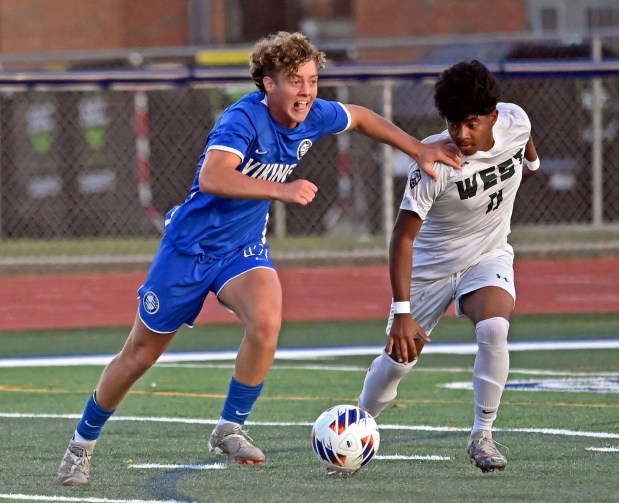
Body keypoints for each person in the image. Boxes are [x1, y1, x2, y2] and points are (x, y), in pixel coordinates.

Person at [57, 31, 461, 486]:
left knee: (267, 320)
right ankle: (80, 446)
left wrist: (420, 149)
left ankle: (229, 427)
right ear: (268, 83)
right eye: (294, 80)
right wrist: (281, 190)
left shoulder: (315, 112)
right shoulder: (241, 119)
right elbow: (213, 176)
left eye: (312, 79)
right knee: (139, 356)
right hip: (188, 250)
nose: (307, 90)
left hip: (242, 249)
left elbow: (363, 118)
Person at [357, 59, 540, 473]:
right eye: (452, 123)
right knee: (398, 362)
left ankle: (482, 435)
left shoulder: (516, 120)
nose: (460, 134)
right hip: (431, 268)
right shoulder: (434, 161)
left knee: (494, 327)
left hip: (487, 255)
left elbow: (527, 151)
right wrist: (402, 313)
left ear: (494, 116)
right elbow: (402, 238)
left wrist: (530, 169)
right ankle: (358, 429)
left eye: (471, 123)